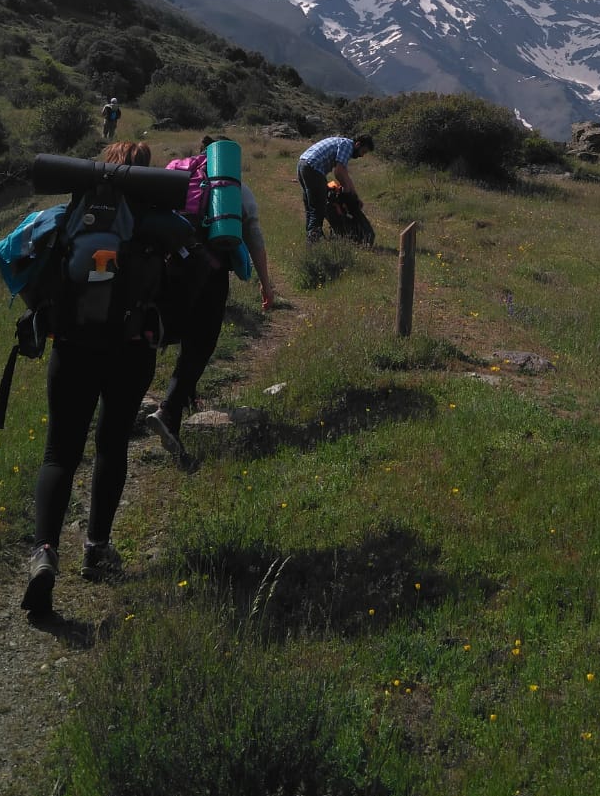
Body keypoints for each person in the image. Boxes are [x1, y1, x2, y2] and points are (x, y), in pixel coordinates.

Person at [21, 139, 165, 617]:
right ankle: (96, 547)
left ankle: (44, 553)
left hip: (72, 349)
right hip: (129, 351)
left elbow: (27, 270)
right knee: (112, 444)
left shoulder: (69, 218)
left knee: (60, 450)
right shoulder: (152, 224)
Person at [146, 136, 275, 468]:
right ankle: (170, 411)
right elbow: (255, 238)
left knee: (163, 330)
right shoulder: (235, 190)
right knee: (201, 342)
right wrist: (266, 283)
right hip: (211, 271)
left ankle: (172, 398)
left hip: (171, 263)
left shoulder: (179, 175)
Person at [297, 132, 374, 245]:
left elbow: (344, 173)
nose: (362, 155)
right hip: (313, 168)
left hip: (302, 164)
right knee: (318, 208)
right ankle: (313, 243)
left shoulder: (341, 142)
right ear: (357, 144)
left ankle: (311, 238)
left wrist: (354, 194)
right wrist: (347, 191)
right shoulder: (347, 145)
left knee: (311, 207)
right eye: (363, 151)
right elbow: (338, 172)